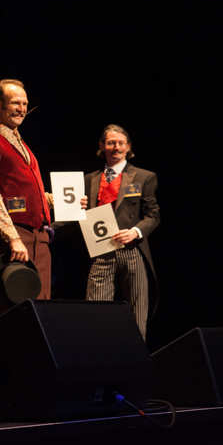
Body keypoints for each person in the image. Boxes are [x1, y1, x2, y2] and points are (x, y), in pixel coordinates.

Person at [0, 79, 54, 320]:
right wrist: (13, 237)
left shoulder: (23, 146)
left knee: (41, 309)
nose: (21, 109)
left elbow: (30, 191)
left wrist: (57, 200)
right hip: (14, 237)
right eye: (15, 103)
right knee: (13, 310)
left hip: (38, 237)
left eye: (25, 104)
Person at [84, 124, 159, 340]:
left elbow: (153, 215)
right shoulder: (90, 179)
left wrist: (135, 232)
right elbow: (81, 215)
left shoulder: (143, 177)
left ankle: (136, 366)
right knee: (96, 313)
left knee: (137, 314)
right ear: (102, 146)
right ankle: (98, 361)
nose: (116, 147)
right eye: (110, 143)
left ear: (128, 147)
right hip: (101, 252)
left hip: (132, 251)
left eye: (120, 143)